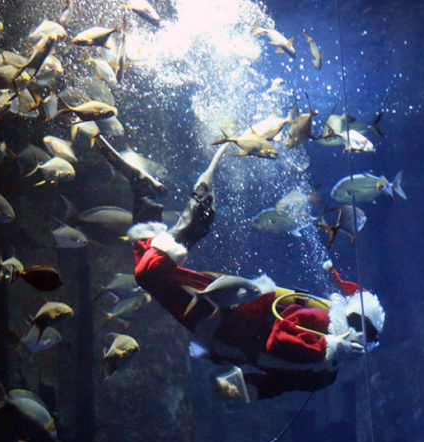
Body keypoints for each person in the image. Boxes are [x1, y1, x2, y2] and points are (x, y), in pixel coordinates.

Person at [123, 145, 385, 401]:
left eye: (364, 340)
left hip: (222, 338)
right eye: (356, 326)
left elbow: (277, 383)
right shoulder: (320, 322)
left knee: (147, 272)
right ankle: (194, 225)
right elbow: (278, 340)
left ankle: (145, 196)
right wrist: (329, 347)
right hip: (228, 309)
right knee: (150, 272)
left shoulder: (324, 377)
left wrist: (245, 389)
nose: (356, 337)